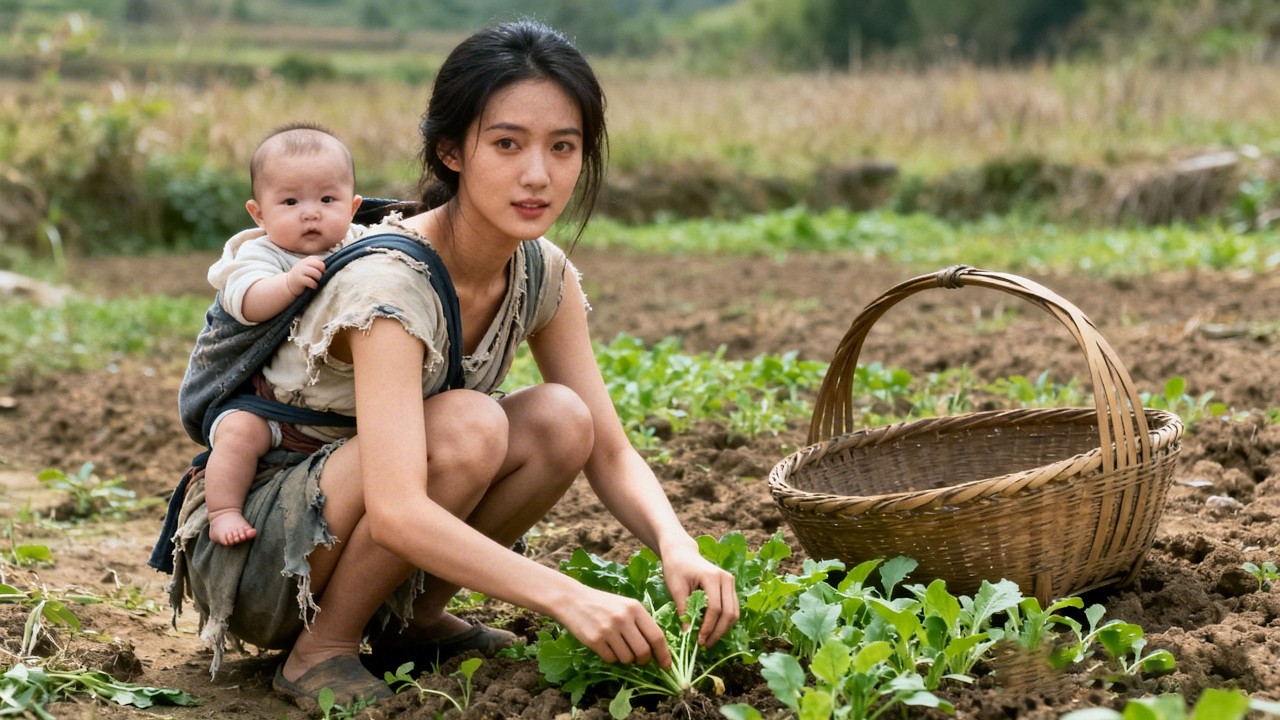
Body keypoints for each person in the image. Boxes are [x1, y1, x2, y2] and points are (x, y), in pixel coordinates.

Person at [164, 18, 739, 710]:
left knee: (563, 418)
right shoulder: (389, 286)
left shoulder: (539, 271)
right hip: (266, 549)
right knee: (470, 424)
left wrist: (676, 545)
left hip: (360, 526)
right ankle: (320, 651)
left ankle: (413, 624)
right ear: (451, 152)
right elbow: (401, 510)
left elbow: (610, 453)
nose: (538, 175)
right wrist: (569, 598)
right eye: (506, 144)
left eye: (564, 147)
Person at [202, 123, 364, 545]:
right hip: (274, 410)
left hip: (343, 411)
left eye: (328, 199)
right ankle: (223, 510)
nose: (311, 212)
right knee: (237, 432)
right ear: (259, 213)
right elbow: (246, 301)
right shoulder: (261, 253)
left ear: (353, 205)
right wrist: (288, 284)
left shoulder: (363, 243)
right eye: (290, 201)